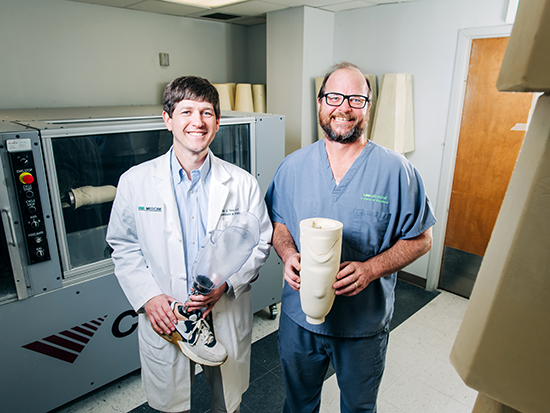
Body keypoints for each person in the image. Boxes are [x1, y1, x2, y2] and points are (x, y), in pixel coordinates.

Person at [265, 62, 436, 413]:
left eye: (356, 99)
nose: (343, 107)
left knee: (358, 408)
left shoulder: (397, 171)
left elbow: (422, 239)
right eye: (333, 97)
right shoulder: (293, 167)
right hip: (300, 322)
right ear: (320, 103)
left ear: (368, 107)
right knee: (298, 404)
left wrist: (371, 269)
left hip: (362, 327)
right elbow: (278, 223)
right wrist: (287, 254)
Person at [106, 75, 272, 413]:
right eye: (186, 112)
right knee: (171, 404)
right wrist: (148, 297)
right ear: (168, 120)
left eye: (207, 113)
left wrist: (226, 284)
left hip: (222, 309)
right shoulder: (135, 182)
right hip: (167, 313)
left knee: (226, 403)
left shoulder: (241, 183)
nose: (197, 122)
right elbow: (123, 246)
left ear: (218, 122)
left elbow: (260, 243)